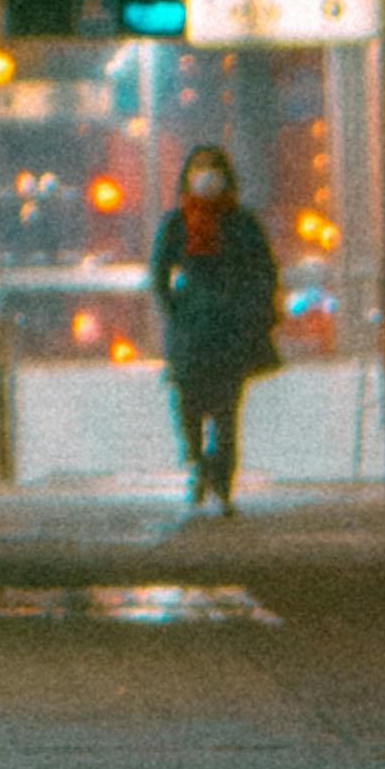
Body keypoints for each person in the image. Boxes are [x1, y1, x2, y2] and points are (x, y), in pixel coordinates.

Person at [150, 146, 280, 511]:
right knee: (188, 404)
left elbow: (264, 270)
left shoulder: (242, 223)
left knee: (226, 411)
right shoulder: (177, 223)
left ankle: (221, 481)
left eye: (213, 168)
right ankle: (197, 463)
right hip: (190, 329)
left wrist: (254, 308)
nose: (207, 175)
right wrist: (174, 310)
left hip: (230, 330)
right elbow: (158, 273)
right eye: (199, 168)